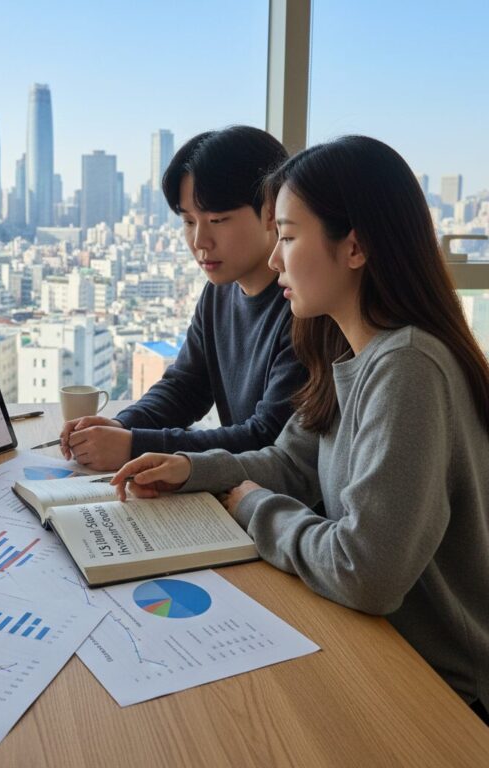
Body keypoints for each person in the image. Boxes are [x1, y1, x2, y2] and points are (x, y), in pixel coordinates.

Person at [111, 135, 489, 721]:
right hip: (374, 643)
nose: (273, 259)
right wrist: (190, 470)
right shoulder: (347, 347)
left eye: (287, 236)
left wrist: (253, 506)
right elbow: (289, 462)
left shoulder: (408, 369)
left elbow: (366, 574)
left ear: (355, 246)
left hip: (438, 689)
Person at [60, 126, 306, 470]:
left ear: (271, 212)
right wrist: (122, 424)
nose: (200, 241)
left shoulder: (305, 307)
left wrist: (134, 446)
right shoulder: (219, 292)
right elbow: (186, 387)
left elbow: (268, 438)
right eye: (188, 221)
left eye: (217, 219)